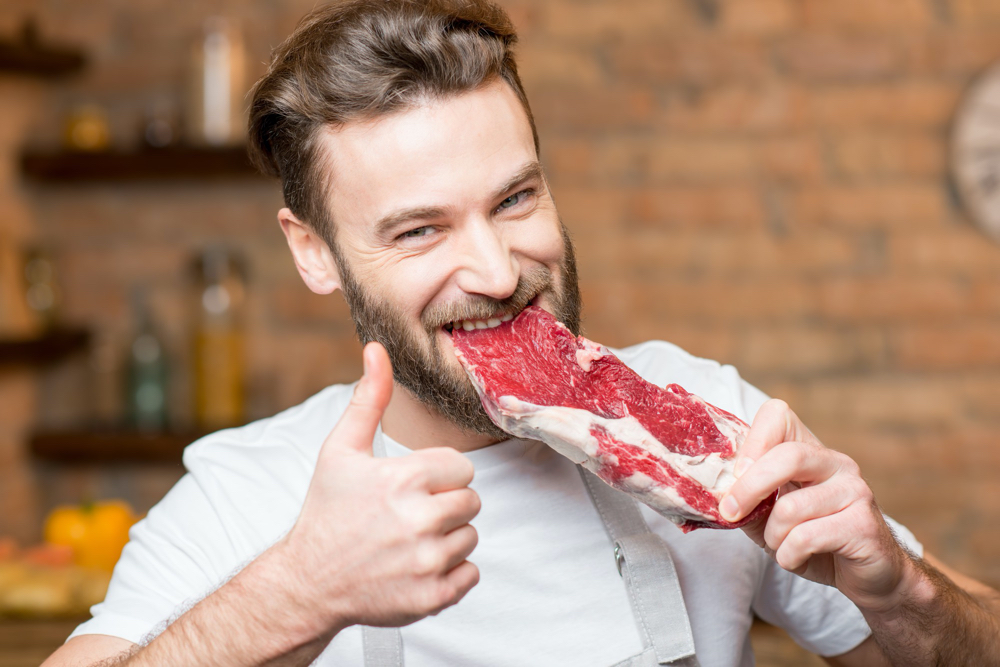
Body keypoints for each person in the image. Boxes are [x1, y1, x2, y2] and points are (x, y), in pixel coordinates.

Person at [44, 1, 1000, 665]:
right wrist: (299, 591)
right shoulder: (248, 492)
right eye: (419, 231)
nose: (499, 272)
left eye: (515, 199)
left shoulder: (710, 423)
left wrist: (900, 588)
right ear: (316, 252)